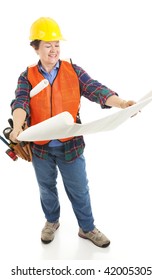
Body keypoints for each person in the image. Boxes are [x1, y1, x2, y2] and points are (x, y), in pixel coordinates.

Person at [10, 17, 136, 248]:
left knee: (79, 189)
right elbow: (20, 104)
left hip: (71, 145)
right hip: (40, 148)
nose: (54, 49)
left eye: (56, 44)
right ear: (35, 47)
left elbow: (96, 89)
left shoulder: (73, 71)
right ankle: (51, 222)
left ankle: (86, 228)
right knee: (46, 188)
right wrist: (18, 128)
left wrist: (122, 104)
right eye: (48, 45)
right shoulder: (27, 76)